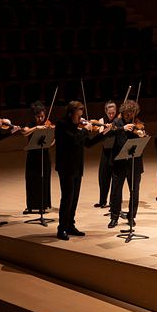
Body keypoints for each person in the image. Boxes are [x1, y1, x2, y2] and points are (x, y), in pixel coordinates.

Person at [54, 101, 109, 240]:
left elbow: (88, 144)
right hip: (66, 167)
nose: (81, 119)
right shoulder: (62, 125)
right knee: (67, 198)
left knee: (75, 199)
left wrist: (104, 134)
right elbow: (72, 140)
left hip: (77, 167)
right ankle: (61, 228)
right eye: (78, 116)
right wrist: (85, 130)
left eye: (81, 116)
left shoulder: (76, 126)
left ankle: (70, 225)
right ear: (70, 113)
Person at [107, 100, 147, 228]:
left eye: (132, 114)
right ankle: (114, 217)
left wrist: (142, 135)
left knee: (134, 191)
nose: (130, 117)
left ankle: (131, 216)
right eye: (128, 114)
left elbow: (142, 140)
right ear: (123, 112)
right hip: (119, 162)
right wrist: (122, 129)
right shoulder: (117, 122)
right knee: (115, 191)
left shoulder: (137, 123)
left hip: (135, 163)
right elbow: (109, 132)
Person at [21, 101, 54, 214]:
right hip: (32, 155)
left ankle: (43, 204)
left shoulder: (47, 123)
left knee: (43, 180)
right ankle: (31, 205)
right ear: (34, 116)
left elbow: (53, 138)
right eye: (38, 116)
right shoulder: (31, 123)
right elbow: (24, 132)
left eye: (42, 116)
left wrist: (50, 142)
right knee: (31, 180)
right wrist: (36, 128)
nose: (40, 119)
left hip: (44, 155)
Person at [94, 101, 119, 208]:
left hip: (116, 152)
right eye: (110, 113)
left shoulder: (118, 121)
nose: (112, 115)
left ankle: (114, 201)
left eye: (113, 113)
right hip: (106, 152)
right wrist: (108, 128)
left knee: (116, 177)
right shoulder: (101, 121)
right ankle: (102, 200)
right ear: (106, 111)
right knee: (103, 176)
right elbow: (101, 136)